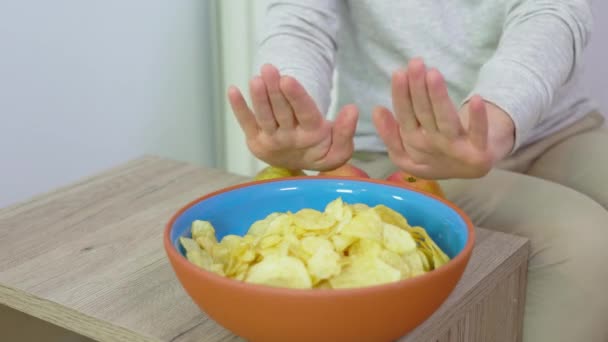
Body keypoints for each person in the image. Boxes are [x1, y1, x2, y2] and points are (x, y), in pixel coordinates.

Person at [227, 1, 608, 341]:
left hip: (557, 127)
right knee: (586, 244)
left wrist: (496, 117)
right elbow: (302, 20)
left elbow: (552, 11)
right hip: (406, 151)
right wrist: (290, 109)